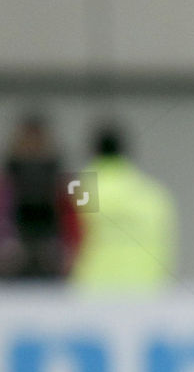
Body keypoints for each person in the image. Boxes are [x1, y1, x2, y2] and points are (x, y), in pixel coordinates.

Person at [70, 122, 178, 291]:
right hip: (145, 290)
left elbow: (71, 240)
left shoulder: (80, 189)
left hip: (92, 290)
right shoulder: (153, 194)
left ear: (92, 152)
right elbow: (166, 247)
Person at [1, 112, 75, 279]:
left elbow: (78, 217)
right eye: (27, 140)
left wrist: (69, 248)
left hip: (52, 253)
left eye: (37, 140)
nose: (32, 146)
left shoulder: (65, 176)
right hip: (14, 255)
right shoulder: (6, 176)